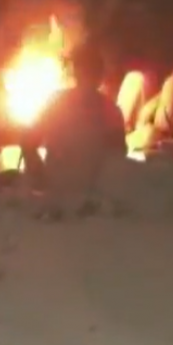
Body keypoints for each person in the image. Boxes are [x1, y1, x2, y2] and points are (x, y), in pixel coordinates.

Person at [20, 43, 127, 217]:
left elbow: (27, 142)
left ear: (75, 73)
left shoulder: (56, 102)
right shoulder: (110, 109)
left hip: (59, 187)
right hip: (91, 191)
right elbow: (119, 153)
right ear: (100, 75)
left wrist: (39, 175)